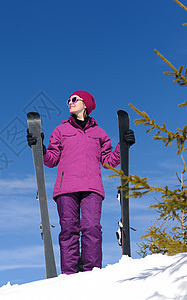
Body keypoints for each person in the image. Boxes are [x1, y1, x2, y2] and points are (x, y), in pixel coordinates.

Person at [27, 90, 135, 274]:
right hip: (66, 188)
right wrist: (40, 148)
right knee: (69, 230)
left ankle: (91, 273)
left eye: (74, 99)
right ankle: (69, 275)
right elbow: (51, 160)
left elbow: (109, 161)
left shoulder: (99, 133)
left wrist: (122, 145)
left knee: (92, 228)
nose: (70, 102)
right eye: (68, 99)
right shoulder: (61, 130)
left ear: (86, 104)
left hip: (92, 187)